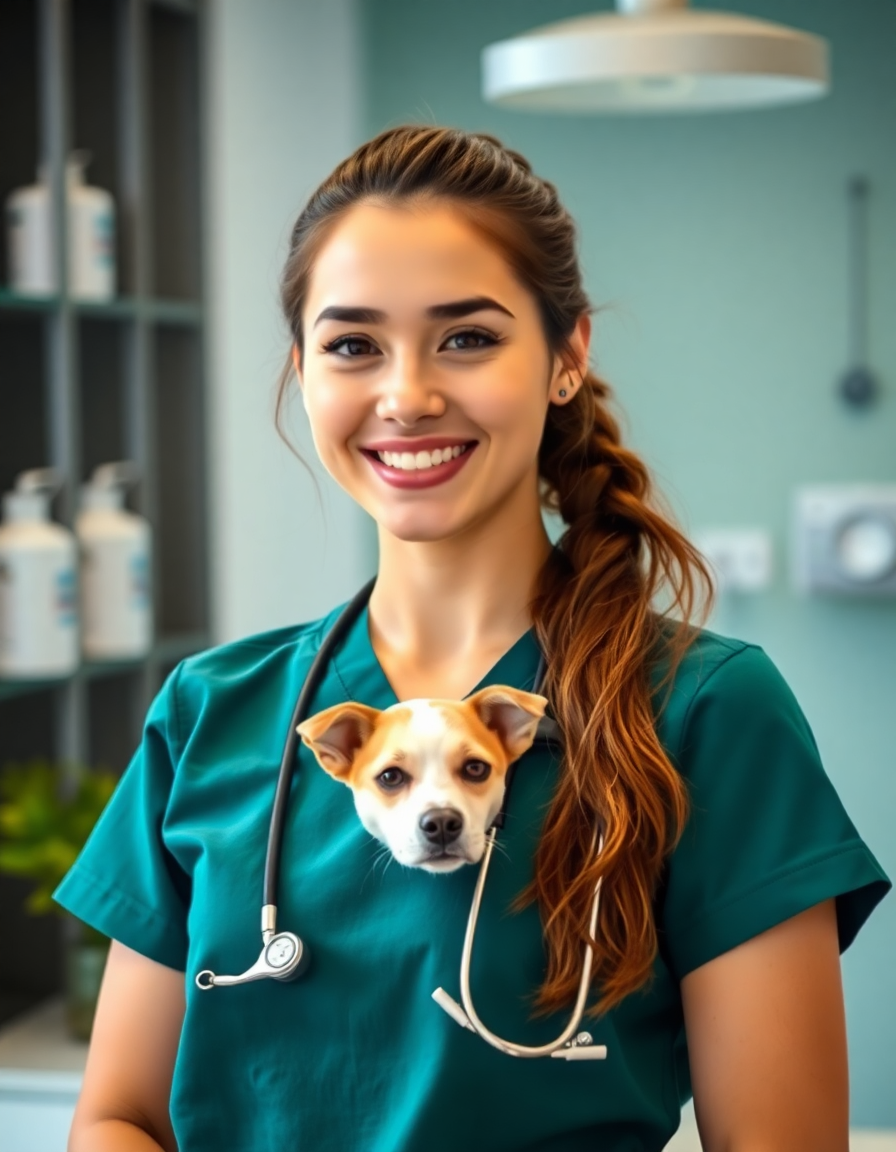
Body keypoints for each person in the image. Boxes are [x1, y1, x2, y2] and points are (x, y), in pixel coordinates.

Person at [54, 125, 889, 1152]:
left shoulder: (706, 712)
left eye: (466, 337)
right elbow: (119, 1119)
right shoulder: (208, 713)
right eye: (353, 344)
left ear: (565, 358)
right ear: (304, 374)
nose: (406, 395)